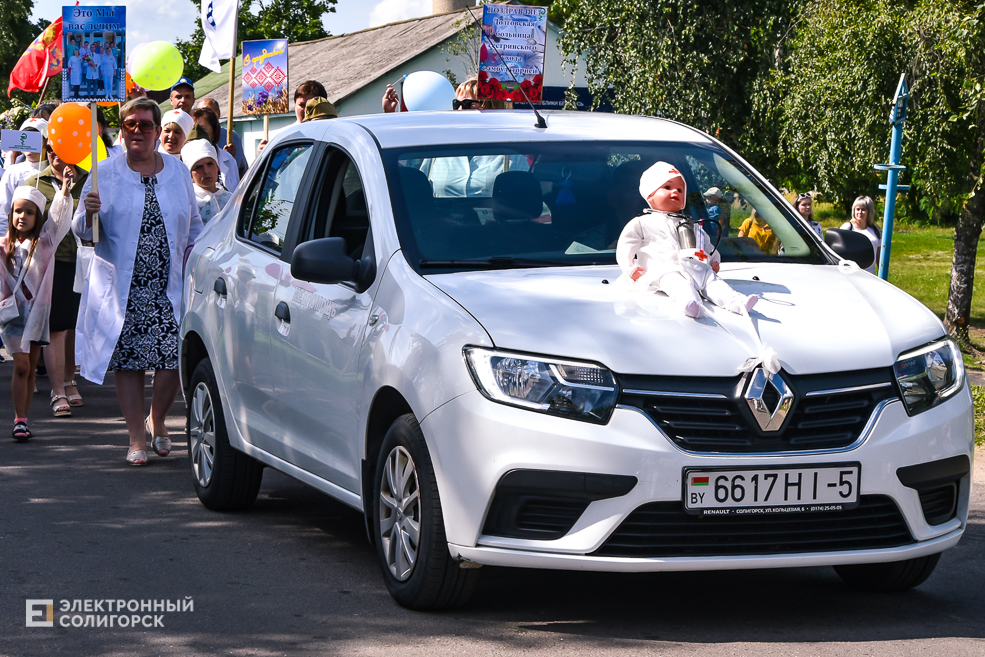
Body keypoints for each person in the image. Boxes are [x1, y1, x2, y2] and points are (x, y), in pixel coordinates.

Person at [74, 97, 204, 465]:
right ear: (121, 128)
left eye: (146, 125)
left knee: (171, 359)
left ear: (156, 131)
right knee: (129, 363)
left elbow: (193, 223)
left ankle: (157, 419)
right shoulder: (104, 173)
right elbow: (84, 234)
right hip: (125, 287)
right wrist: (88, 213)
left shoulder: (178, 172)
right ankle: (136, 437)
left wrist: (196, 255)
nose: (137, 131)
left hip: (169, 284)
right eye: (130, 124)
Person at [616, 161, 756, 319]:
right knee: (676, 284)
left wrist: (714, 259)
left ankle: (737, 302)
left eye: (680, 189)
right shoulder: (642, 223)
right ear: (650, 195)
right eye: (667, 187)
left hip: (696, 267)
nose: (675, 191)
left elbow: (705, 244)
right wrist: (630, 268)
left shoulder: (690, 224)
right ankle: (690, 303)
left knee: (713, 281)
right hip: (665, 270)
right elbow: (625, 246)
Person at [2, 177, 76, 441]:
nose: (22, 216)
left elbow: (58, 219)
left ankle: (23, 419)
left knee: (31, 367)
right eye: (18, 210)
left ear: (38, 217)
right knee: (21, 365)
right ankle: (18, 420)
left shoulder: (45, 243)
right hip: (12, 315)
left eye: (29, 212)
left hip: (38, 313)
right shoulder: (2, 247)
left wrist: (64, 194)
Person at [25, 148, 88, 416]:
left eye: (62, 151)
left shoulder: (90, 180)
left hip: (85, 261)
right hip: (51, 264)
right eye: (51, 151)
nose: (56, 157)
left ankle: (69, 380)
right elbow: (24, 222)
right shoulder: (35, 183)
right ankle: (58, 390)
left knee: (72, 326)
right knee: (56, 327)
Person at [0, 119, 49, 233]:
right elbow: (3, 210)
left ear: (46, 140)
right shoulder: (13, 172)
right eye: (24, 137)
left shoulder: (56, 171)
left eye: (33, 138)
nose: (28, 143)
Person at [257, 80, 327, 154]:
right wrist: (262, 155)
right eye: (302, 105)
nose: (306, 110)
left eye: (311, 105)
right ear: (295, 104)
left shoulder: (331, 134)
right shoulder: (281, 137)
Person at [181, 140, 232, 224]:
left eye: (210, 164)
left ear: (217, 166)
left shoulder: (230, 199)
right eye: (198, 167)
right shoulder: (187, 202)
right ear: (190, 173)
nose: (206, 171)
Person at [193, 97, 247, 177]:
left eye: (207, 111)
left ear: (218, 114)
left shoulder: (232, 137)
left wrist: (228, 159)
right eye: (199, 111)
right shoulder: (191, 141)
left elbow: (242, 171)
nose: (203, 115)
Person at [189, 107, 240, 191]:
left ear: (214, 133)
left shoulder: (228, 159)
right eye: (192, 130)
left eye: (202, 129)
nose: (196, 133)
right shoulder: (181, 160)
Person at [840, 195, 881, 273]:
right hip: (851, 273)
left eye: (863, 210)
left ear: (869, 212)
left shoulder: (875, 230)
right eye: (857, 209)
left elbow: (879, 254)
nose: (860, 212)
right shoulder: (847, 228)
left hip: (870, 274)